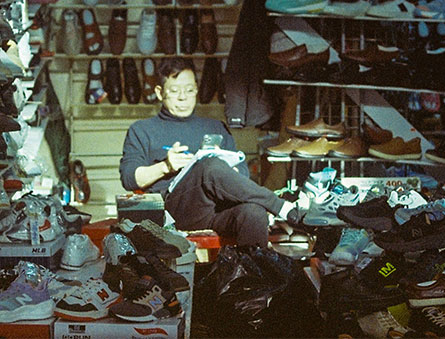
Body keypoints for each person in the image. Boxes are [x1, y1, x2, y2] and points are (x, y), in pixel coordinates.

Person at [119, 58, 305, 247]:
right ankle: (280, 206)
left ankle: (251, 274)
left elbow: (243, 175)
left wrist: (225, 163)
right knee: (209, 165)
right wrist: (166, 166)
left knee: (253, 212)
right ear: (160, 93)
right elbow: (129, 179)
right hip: (176, 211)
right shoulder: (142, 130)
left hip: (217, 211)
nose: (183, 97)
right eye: (174, 91)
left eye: (189, 90)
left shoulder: (215, 127)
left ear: (197, 90)